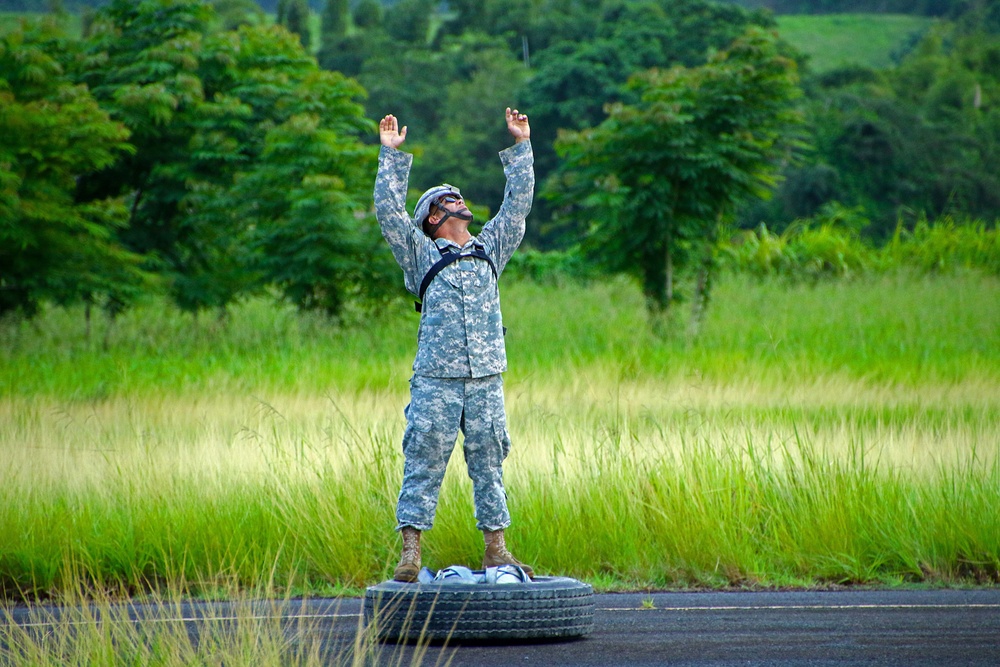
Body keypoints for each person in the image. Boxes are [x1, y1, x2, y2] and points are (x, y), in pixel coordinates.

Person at [374, 108, 534, 582]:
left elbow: (518, 205)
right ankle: (410, 555)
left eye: (459, 197)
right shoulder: (420, 252)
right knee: (423, 458)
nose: (461, 201)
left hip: (485, 377)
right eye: (450, 199)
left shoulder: (490, 247)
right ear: (434, 217)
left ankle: (497, 550)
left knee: (490, 462)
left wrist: (522, 146)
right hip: (436, 381)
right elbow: (388, 213)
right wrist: (389, 157)